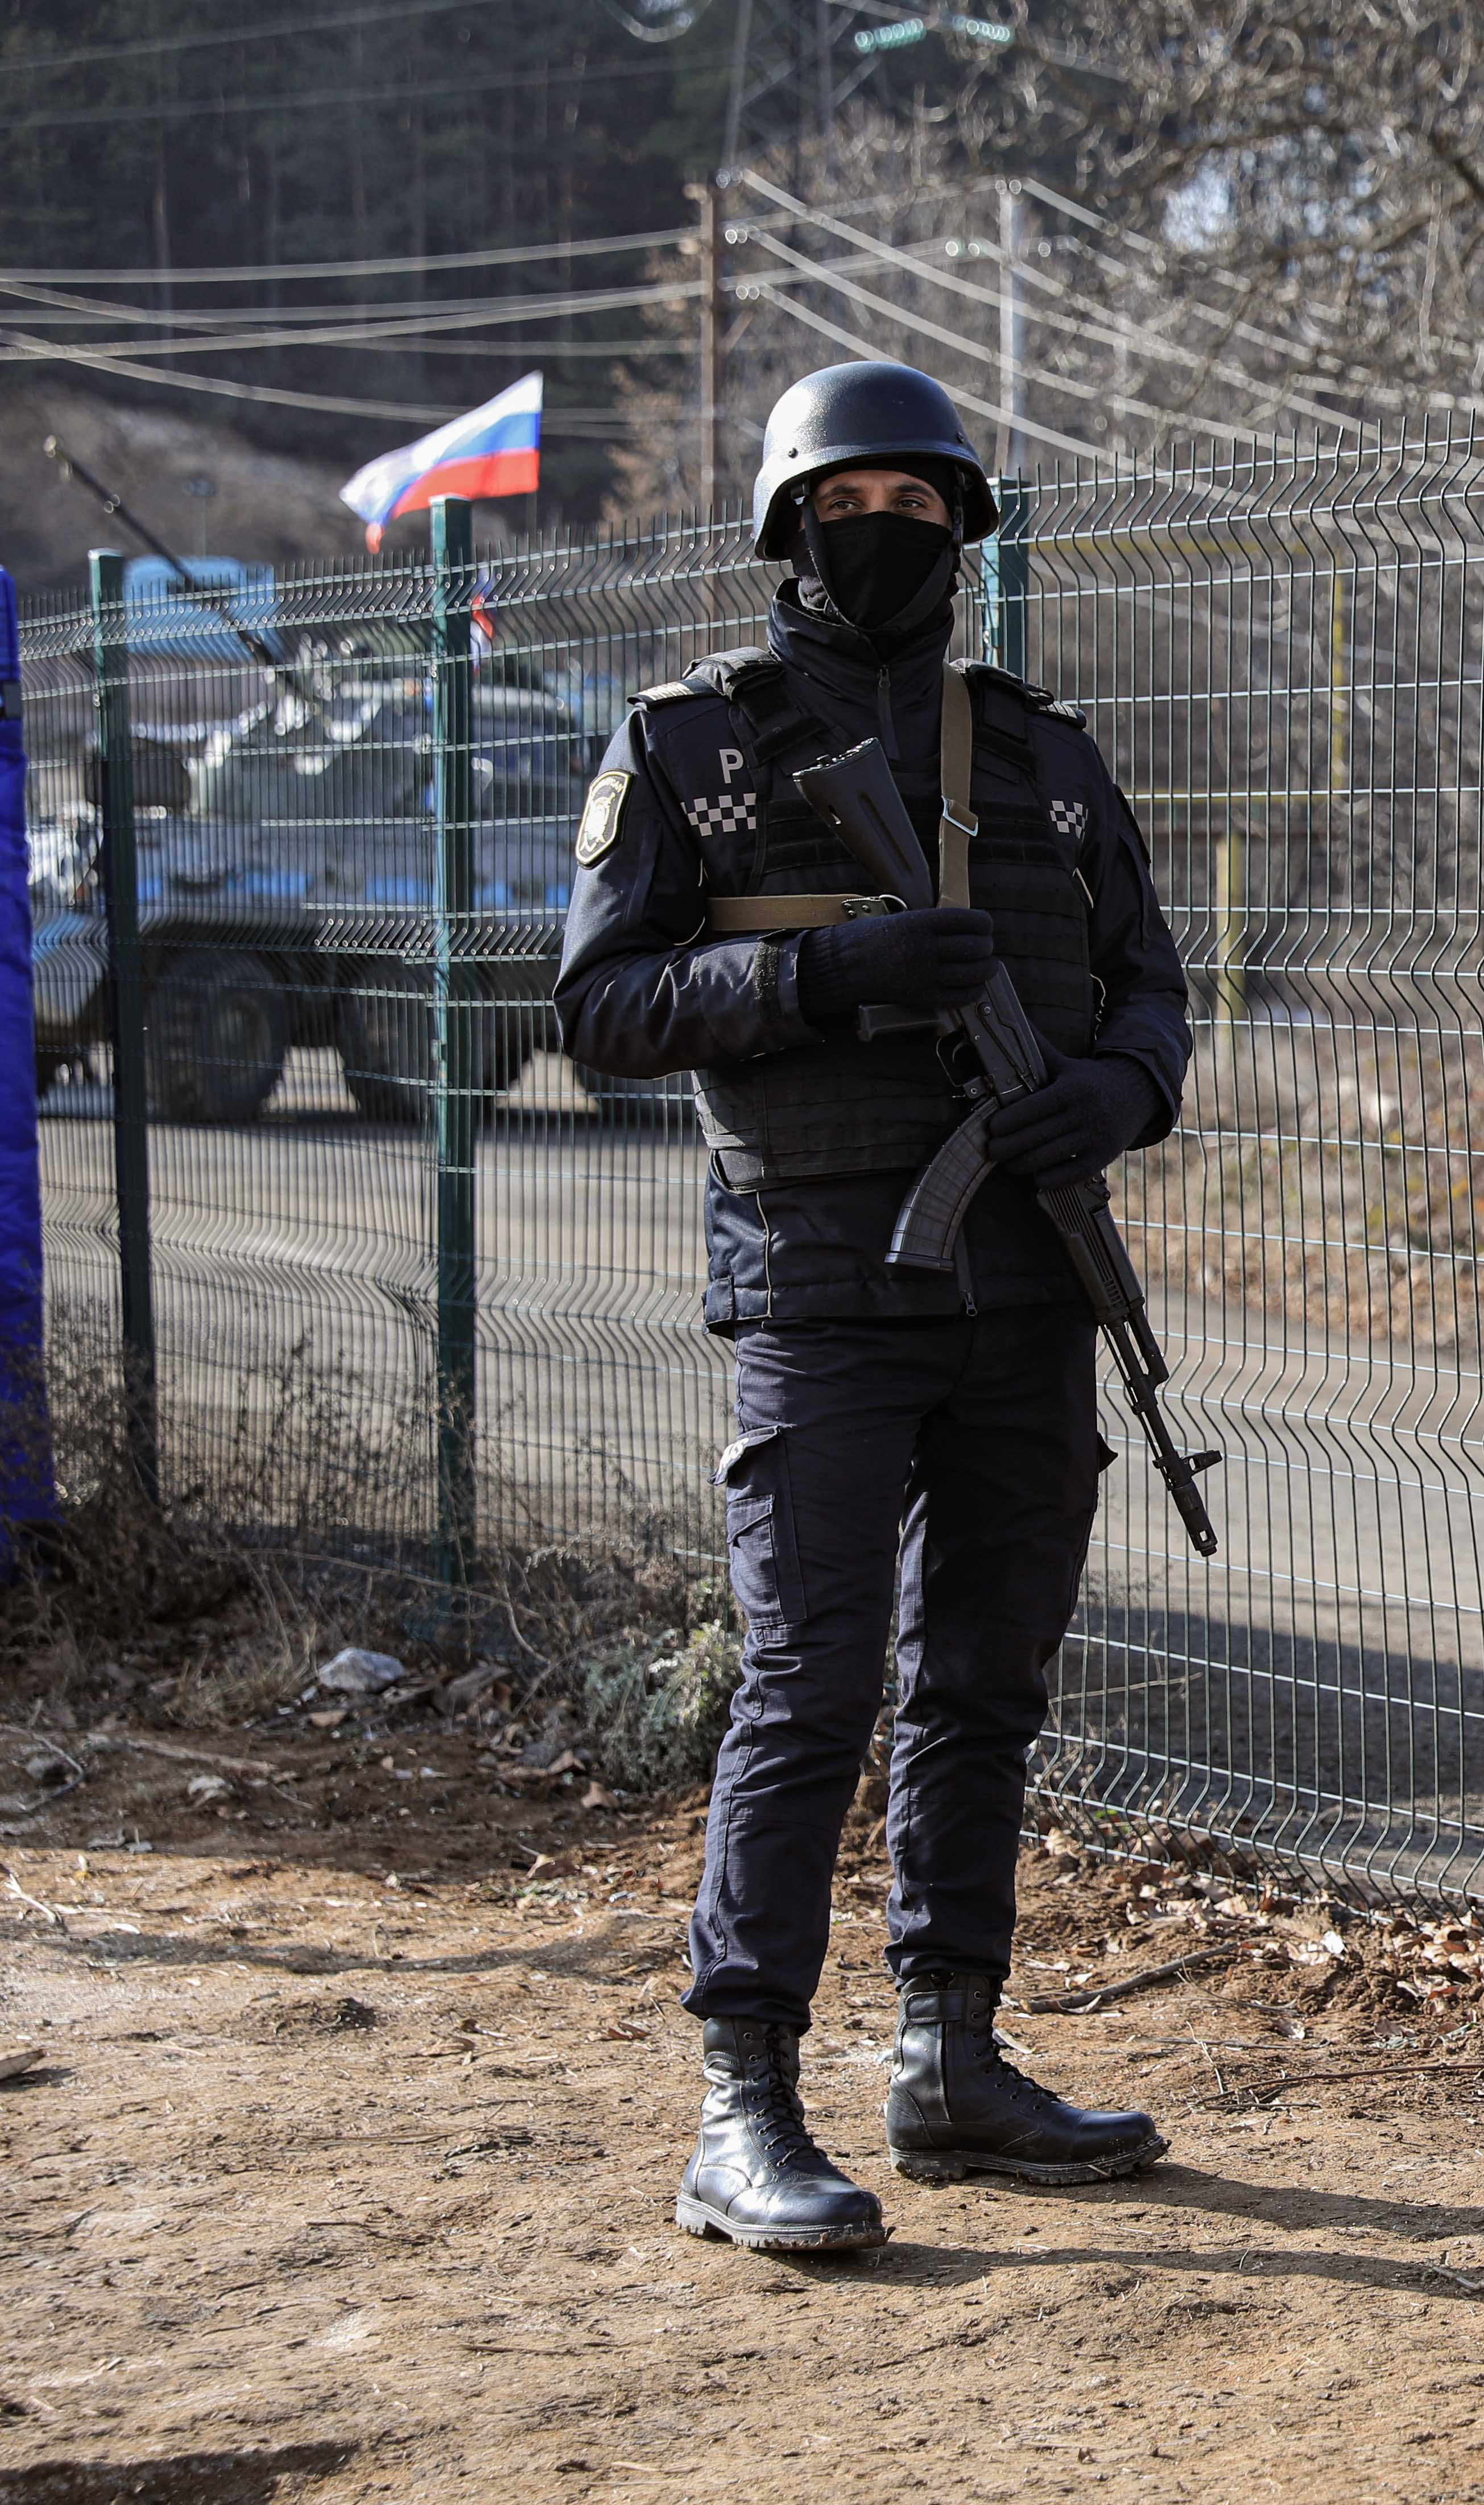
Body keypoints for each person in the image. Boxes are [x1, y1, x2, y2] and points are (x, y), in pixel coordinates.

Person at [555, 363, 1194, 2251]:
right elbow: (596, 1012)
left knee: (983, 1684)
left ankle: (950, 2060)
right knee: (814, 1684)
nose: (892, 532)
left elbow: (1156, 988)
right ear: (787, 525)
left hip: (1028, 1285)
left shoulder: (1052, 763)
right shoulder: (693, 751)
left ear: (968, 532)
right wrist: (823, 980)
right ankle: (740, 2103)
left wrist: (1122, 1092)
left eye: (926, 506)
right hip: (820, 1287)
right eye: (855, 502)